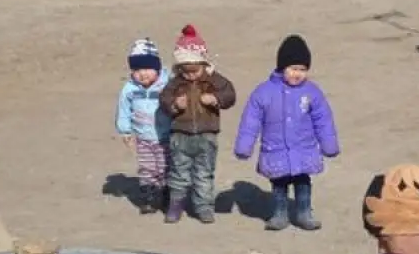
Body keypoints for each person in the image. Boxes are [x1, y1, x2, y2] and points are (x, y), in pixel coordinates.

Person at [234, 34, 340, 231]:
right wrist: (244, 146)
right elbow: (251, 120)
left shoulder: (312, 92)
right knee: (279, 186)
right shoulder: (264, 92)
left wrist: (329, 144)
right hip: (276, 150)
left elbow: (323, 119)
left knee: (303, 184)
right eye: (293, 69)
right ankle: (279, 214)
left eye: (302, 69)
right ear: (282, 67)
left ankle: (304, 213)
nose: (297, 74)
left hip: (303, 150)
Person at [158, 25, 237, 224]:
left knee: (204, 173)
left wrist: (216, 99)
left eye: (195, 70)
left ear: (203, 63)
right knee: (179, 173)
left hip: (206, 135)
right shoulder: (175, 83)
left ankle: (204, 207)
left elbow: (230, 94)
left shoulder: (214, 80)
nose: (191, 75)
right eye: (186, 71)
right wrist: (175, 105)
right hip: (180, 135)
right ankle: (175, 205)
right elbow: (164, 99)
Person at [115, 38, 171, 214]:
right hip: (143, 137)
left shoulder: (168, 84)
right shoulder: (130, 89)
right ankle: (149, 198)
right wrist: (124, 130)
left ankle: (167, 196)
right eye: (137, 70)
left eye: (147, 68)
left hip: (165, 136)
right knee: (147, 168)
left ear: (158, 68)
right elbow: (123, 109)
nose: (143, 74)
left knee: (165, 168)